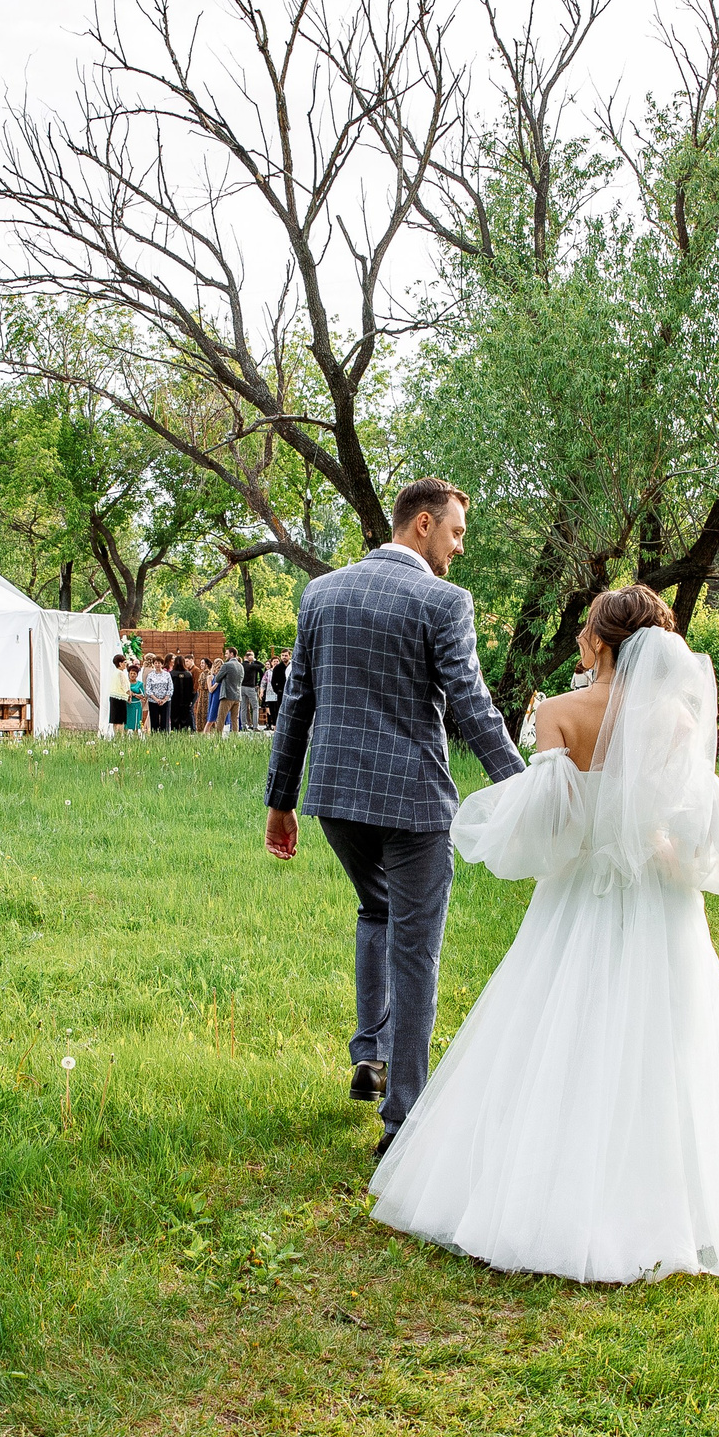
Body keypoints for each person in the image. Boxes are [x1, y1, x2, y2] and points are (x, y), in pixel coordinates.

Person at [369, 585, 719, 1283]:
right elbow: (692, 837)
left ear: (595, 640)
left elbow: (550, 835)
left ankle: (544, 1186)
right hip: (658, 901)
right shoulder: (679, 724)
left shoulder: (560, 714)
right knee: (664, 1036)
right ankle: (659, 1195)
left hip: (575, 898)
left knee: (557, 1028)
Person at [265, 476, 527, 1159]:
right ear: (421, 524)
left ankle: (370, 1052)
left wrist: (280, 801)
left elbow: (297, 704)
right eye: (456, 532)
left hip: (335, 799)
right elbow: (472, 707)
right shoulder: (444, 601)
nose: (459, 548)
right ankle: (401, 1123)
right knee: (416, 948)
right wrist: (522, 788)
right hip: (413, 805)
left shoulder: (320, 593)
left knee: (375, 911)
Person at [144, 655, 174, 732]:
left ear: (162, 664)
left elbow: (170, 688)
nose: (157, 665)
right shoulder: (150, 675)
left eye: (159, 663)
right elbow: (148, 689)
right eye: (156, 663)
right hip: (153, 701)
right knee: (154, 721)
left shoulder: (167, 674)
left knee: (165, 720)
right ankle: (155, 737)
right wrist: (156, 699)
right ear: (154, 664)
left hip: (165, 701)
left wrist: (164, 699)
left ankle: (165, 736)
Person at [240, 647, 265, 731]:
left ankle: (243, 726)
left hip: (242, 687)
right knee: (255, 707)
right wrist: (254, 659)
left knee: (243, 707)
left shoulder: (242, 665)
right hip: (250, 687)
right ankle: (255, 726)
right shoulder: (252, 666)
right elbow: (262, 666)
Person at [169, 655, 195, 732]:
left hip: (174, 700)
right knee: (184, 719)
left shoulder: (171, 674)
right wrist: (190, 700)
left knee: (174, 718)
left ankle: (174, 732)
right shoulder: (188, 674)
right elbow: (191, 689)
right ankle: (184, 732)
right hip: (185, 701)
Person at [108, 651, 130, 736]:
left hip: (114, 697)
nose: (125, 664)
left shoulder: (115, 673)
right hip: (120, 698)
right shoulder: (121, 674)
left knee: (115, 719)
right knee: (120, 720)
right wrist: (131, 694)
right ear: (120, 663)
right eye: (124, 662)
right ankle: (120, 736)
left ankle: (116, 735)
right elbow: (125, 687)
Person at [125, 660, 146, 736]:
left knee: (137, 722)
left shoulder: (139, 684)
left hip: (136, 705)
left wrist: (133, 694)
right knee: (128, 721)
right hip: (128, 704)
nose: (132, 675)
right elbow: (125, 692)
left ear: (137, 674)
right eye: (131, 673)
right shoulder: (126, 683)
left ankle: (137, 734)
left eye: (134, 673)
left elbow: (142, 696)